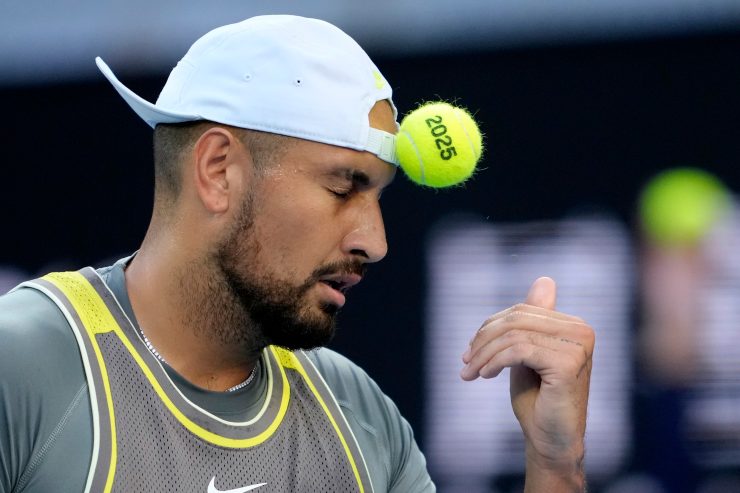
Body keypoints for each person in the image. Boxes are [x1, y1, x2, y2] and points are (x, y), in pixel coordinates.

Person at [0, 15, 594, 493]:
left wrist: (556, 464)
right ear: (218, 170)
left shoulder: (357, 413)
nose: (377, 242)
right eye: (343, 187)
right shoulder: (21, 367)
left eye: (378, 196)